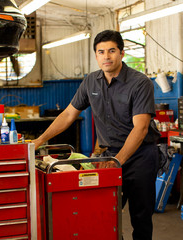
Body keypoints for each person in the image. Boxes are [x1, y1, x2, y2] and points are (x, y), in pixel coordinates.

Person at [33, 29, 162, 240]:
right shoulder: (90, 82)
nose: (106, 56)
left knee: (140, 216)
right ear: (96, 56)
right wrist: (40, 140)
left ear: (122, 53)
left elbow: (141, 129)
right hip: (109, 156)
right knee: (103, 212)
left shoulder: (140, 83)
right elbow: (67, 115)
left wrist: (118, 161)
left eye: (112, 51)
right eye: (101, 52)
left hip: (139, 157)